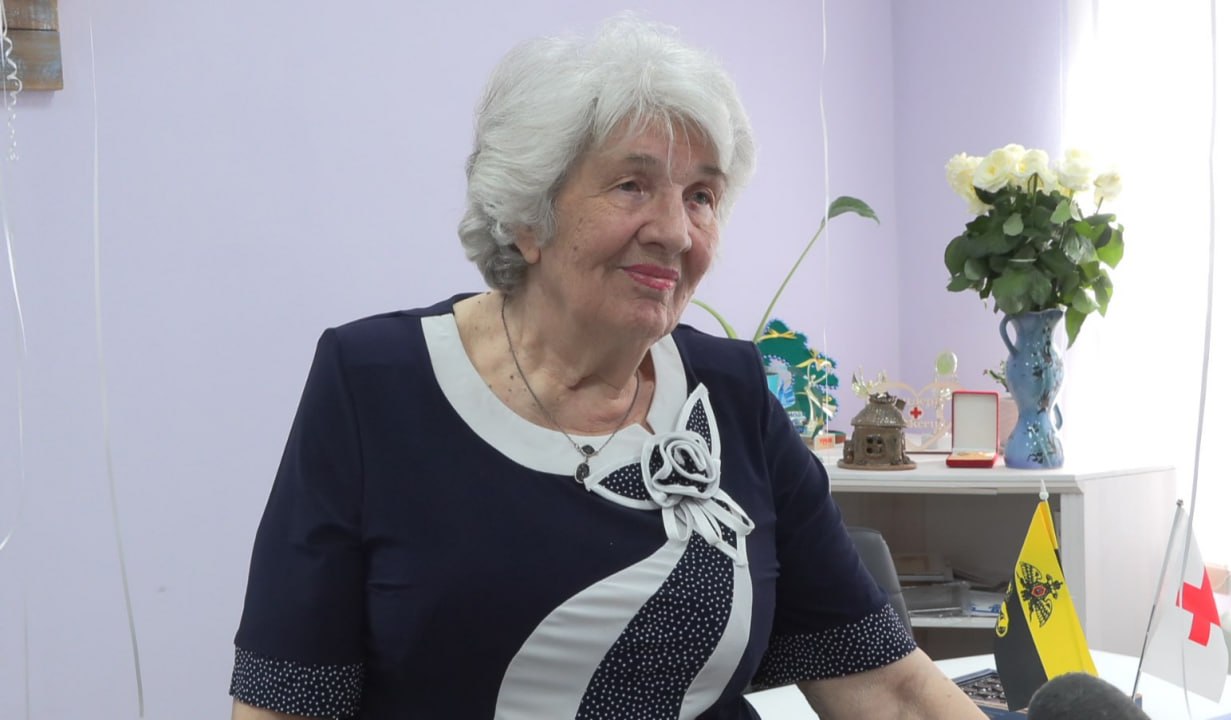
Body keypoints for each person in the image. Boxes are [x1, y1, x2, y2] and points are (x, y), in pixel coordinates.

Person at [228, 14, 987, 720]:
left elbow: (890, 688)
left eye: (701, 196)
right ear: (528, 214)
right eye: (632, 185)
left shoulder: (731, 392)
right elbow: (285, 702)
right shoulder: (375, 384)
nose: (675, 231)